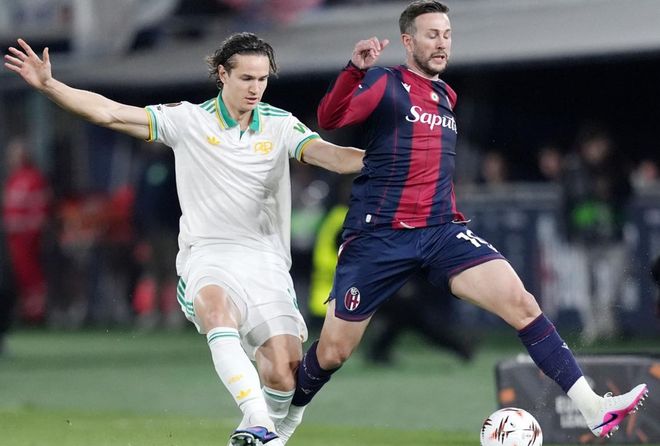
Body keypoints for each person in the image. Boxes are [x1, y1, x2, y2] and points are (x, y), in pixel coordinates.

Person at [278, 1, 649, 443]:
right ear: (408, 41)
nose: (442, 43)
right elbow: (330, 118)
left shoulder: (447, 96)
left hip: (442, 232)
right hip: (379, 237)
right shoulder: (384, 82)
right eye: (432, 34)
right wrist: (354, 71)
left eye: (447, 34)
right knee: (334, 352)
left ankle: (594, 408)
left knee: (522, 303)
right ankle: (281, 423)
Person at [4, 32, 364, 446]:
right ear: (222, 74)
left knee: (283, 374)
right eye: (246, 78)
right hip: (207, 255)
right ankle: (255, 419)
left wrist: (393, 160)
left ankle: (271, 435)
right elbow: (110, 113)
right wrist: (50, 85)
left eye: (263, 79)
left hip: (265, 260)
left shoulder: (280, 125)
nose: (255, 88)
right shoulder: (189, 120)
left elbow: (333, 156)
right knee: (216, 310)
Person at [1, 137, 50, 325]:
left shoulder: (34, 178)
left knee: (32, 276)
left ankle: (36, 315)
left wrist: (25, 225)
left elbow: (40, 210)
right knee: (19, 276)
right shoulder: (12, 180)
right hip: (13, 239)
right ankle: (24, 312)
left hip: (29, 237)